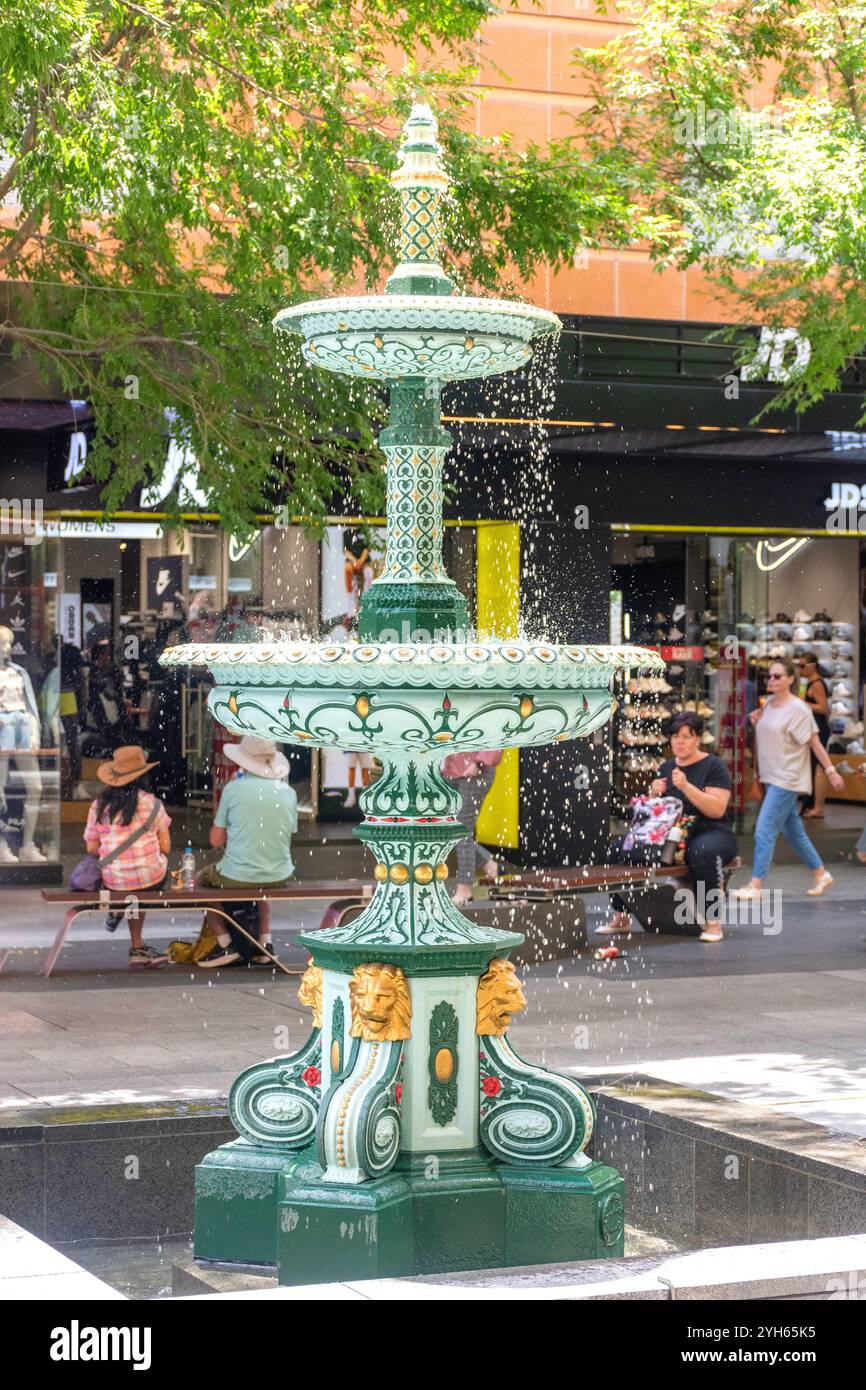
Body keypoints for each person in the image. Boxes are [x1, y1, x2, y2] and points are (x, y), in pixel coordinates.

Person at [598, 711, 738, 943]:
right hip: (670, 834)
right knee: (617, 849)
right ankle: (621, 916)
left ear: (697, 738)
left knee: (702, 852)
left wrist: (686, 787)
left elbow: (717, 810)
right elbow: (656, 813)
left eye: (686, 736)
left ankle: (713, 922)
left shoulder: (713, 766)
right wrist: (652, 794)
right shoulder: (666, 767)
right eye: (675, 737)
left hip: (709, 830)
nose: (679, 742)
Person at [733, 657, 843, 902]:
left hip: (788, 778)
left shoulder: (799, 709)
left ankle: (755, 884)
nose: (771, 680)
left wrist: (831, 770)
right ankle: (821, 873)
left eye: (777, 676)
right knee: (794, 832)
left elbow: (815, 742)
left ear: (791, 679)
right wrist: (755, 721)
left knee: (763, 830)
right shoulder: (768, 704)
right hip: (771, 776)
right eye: (769, 676)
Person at [197, 736, 298, 968]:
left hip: (236, 874)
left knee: (199, 885)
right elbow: (286, 834)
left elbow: (215, 840)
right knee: (262, 882)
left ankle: (225, 944)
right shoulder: (288, 792)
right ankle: (265, 942)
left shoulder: (233, 789)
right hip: (279, 873)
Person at [83, 745, 172, 967]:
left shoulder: (99, 805)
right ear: (142, 775)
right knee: (140, 885)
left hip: (114, 879)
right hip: (150, 878)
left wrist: (113, 847)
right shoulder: (153, 803)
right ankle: (137, 946)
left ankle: (119, 913)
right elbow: (166, 847)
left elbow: (91, 848)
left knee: (129, 888)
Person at [442, 750, 502, 906]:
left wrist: (478, 763)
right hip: (450, 771)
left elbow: (494, 735)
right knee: (449, 828)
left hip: (474, 771)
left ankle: (465, 889)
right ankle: (487, 863)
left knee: (462, 830)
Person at [798, 652, 830, 818]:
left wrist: (804, 704)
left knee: (819, 767)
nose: (800, 669)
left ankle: (818, 807)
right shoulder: (809, 683)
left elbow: (824, 708)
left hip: (819, 728)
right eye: (799, 666)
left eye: (803, 666)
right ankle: (813, 805)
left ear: (813, 667)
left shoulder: (817, 684)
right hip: (813, 727)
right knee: (814, 767)